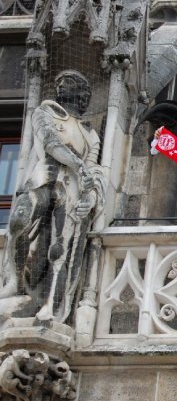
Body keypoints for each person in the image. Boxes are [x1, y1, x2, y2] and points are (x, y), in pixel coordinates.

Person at [0, 70, 105, 322]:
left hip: (71, 190)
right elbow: (50, 142)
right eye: (59, 83)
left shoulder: (90, 134)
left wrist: (90, 198)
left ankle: (51, 305)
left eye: (67, 83)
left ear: (82, 92)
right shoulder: (45, 112)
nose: (60, 86)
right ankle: (15, 280)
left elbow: (95, 170)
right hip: (43, 177)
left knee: (61, 246)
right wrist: (79, 166)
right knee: (19, 221)